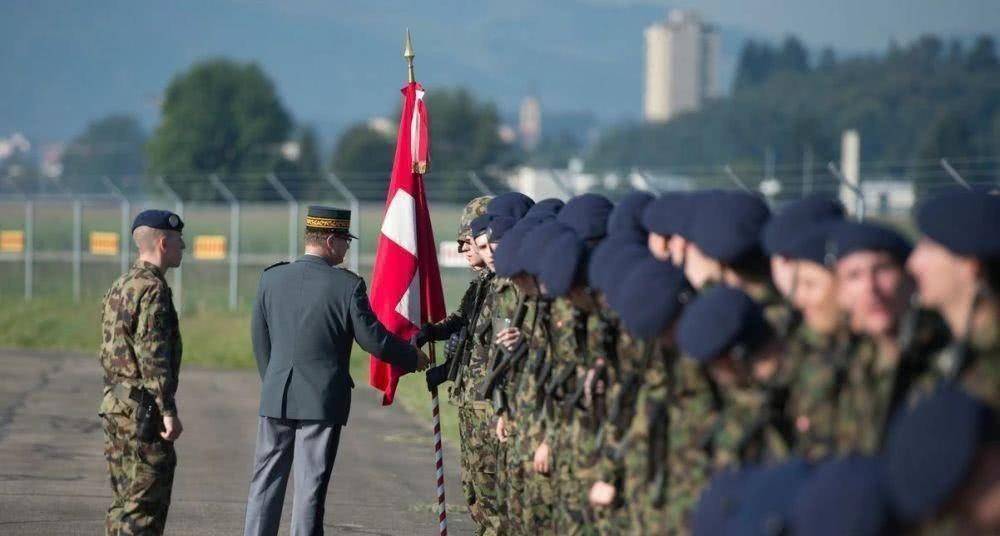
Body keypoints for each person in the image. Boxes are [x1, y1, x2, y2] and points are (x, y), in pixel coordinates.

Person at [243, 205, 430, 536]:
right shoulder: (346, 286)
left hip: (276, 395)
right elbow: (373, 340)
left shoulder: (271, 278)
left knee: (265, 480)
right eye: (345, 240)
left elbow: (261, 340)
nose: (347, 247)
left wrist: (272, 380)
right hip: (321, 400)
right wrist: (411, 358)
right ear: (330, 240)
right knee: (309, 486)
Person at [99, 209, 186, 535]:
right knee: (144, 509)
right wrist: (167, 410)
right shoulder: (153, 289)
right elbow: (152, 354)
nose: (184, 247)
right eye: (179, 241)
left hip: (116, 404)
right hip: (142, 412)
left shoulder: (121, 285)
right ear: (163, 243)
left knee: (124, 504)